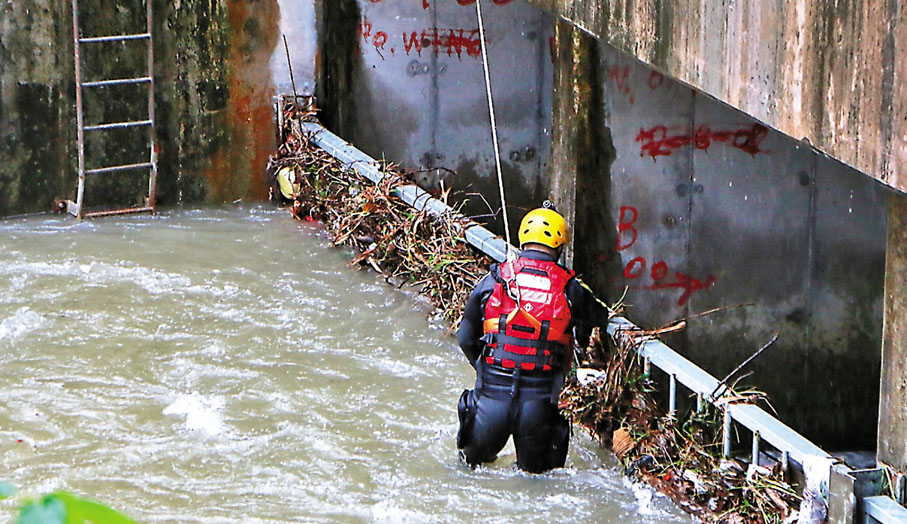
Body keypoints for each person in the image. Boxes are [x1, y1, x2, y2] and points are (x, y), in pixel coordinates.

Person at [456, 202, 607, 473]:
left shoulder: (495, 279)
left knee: (468, 472)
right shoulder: (570, 287)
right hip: (537, 407)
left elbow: (466, 337)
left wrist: (486, 370)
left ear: (522, 240)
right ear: (560, 248)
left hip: (490, 401)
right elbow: (599, 316)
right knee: (537, 481)